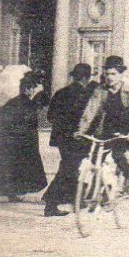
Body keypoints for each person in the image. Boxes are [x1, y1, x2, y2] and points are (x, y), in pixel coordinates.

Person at [76, 56, 129, 194]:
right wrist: (81, 130)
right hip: (107, 127)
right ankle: (99, 191)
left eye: (113, 74)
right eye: (107, 74)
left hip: (126, 129)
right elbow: (90, 111)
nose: (110, 77)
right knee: (96, 158)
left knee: (117, 154)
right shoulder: (101, 90)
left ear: (121, 74)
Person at [41, 63, 93, 215]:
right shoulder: (85, 95)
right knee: (68, 168)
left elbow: (50, 116)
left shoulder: (61, 92)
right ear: (85, 78)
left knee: (70, 167)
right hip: (76, 138)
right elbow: (86, 119)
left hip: (61, 138)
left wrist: (62, 127)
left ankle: (75, 198)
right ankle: (50, 202)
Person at [0, 70, 48, 201]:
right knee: (19, 168)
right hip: (22, 141)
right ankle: (11, 193)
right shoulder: (27, 104)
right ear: (28, 88)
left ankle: (11, 194)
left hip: (12, 140)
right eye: (33, 88)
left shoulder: (13, 102)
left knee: (12, 168)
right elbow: (31, 123)